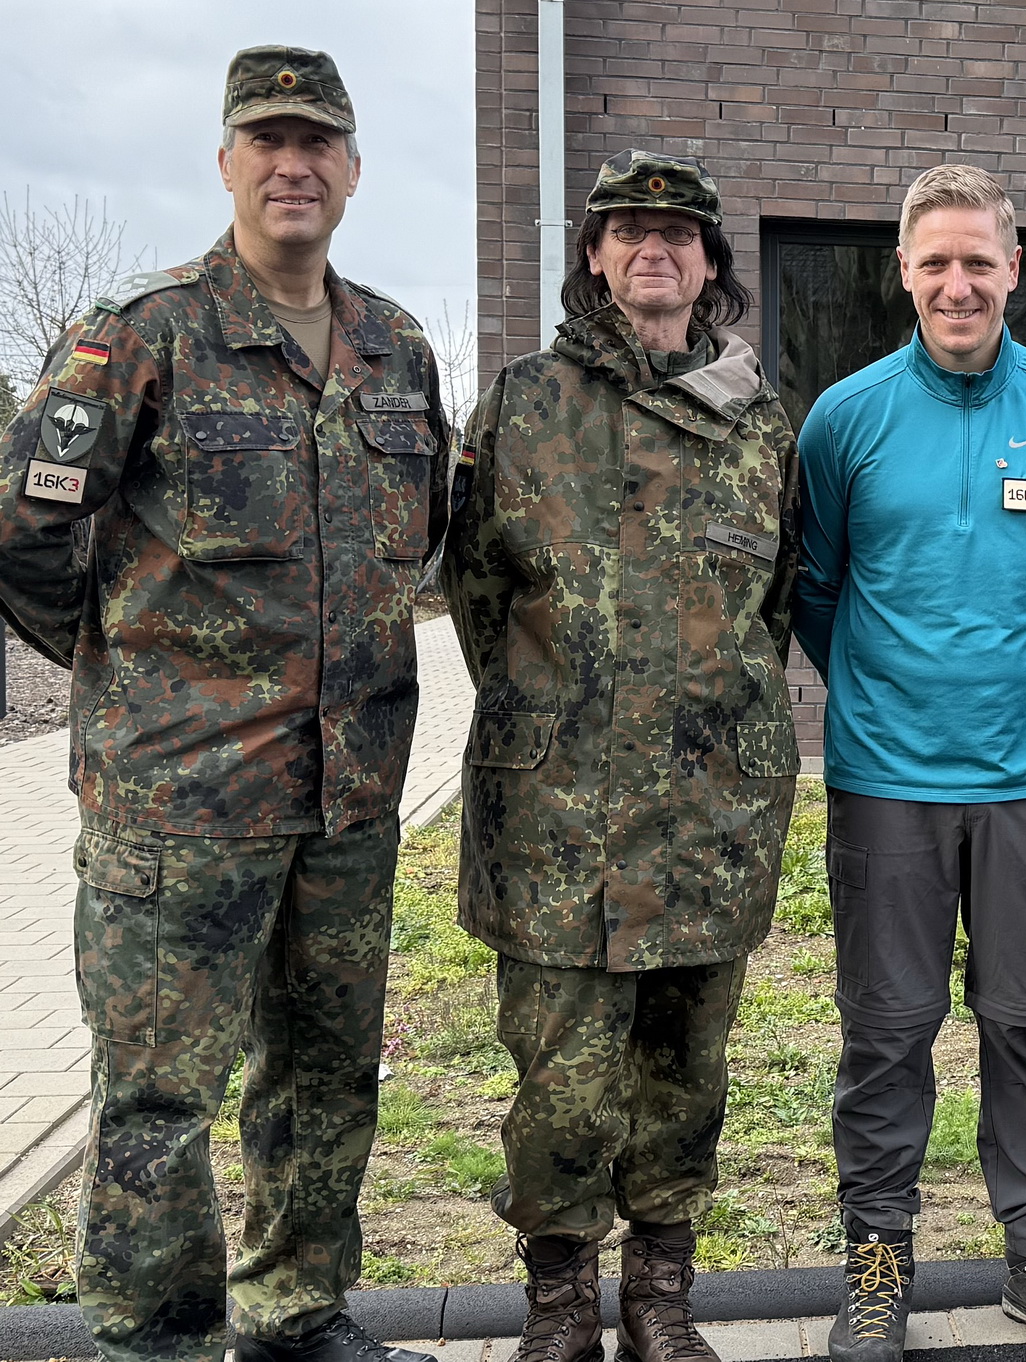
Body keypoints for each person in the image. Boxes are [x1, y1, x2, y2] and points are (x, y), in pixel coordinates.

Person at [0, 46, 447, 1362]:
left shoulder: (397, 348)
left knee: (320, 1079)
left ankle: (296, 1308)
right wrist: (137, 689)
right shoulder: (136, 335)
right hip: (180, 803)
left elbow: (426, 533)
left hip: (350, 798)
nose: (292, 163)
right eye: (266, 140)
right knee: (157, 1094)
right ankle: (158, 1334)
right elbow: (28, 541)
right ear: (227, 162)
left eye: (317, 143)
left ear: (354, 170)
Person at [443, 149, 800, 1362]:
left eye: (681, 234)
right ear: (593, 257)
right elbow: (480, 593)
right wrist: (564, 713)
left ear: (711, 267)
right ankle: (556, 1309)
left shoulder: (762, 426)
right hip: (558, 813)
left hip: (710, 814)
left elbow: (777, 605)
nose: (656, 249)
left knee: (683, 1081)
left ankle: (661, 1302)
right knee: (559, 1086)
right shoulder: (523, 402)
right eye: (629, 231)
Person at [793, 162, 1026, 1362]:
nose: (957, 284)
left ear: (1013, 270)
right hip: (887, 781)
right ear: (903, 271)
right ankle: (878, 1260)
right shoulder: (844, 419)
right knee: (885, 1032)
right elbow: (817, 589)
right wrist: (893, 702)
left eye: (977, 261)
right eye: (934, 262)